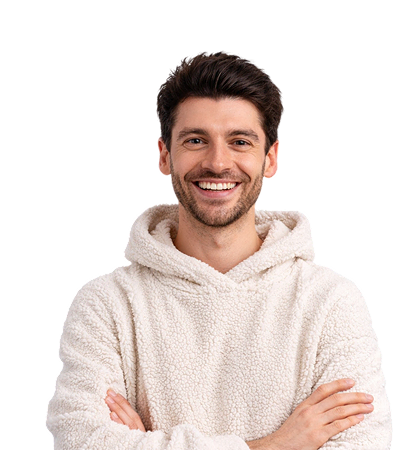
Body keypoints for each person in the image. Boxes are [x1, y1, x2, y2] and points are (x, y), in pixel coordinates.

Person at [46, 51, 392, 449]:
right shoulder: (105, 305)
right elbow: (81, 441)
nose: (217, 162)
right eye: (196, 140)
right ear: (165, 156)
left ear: (270, 160)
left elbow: (362, 445)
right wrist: (276, 445)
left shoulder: (331, 301)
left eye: (239, 141)